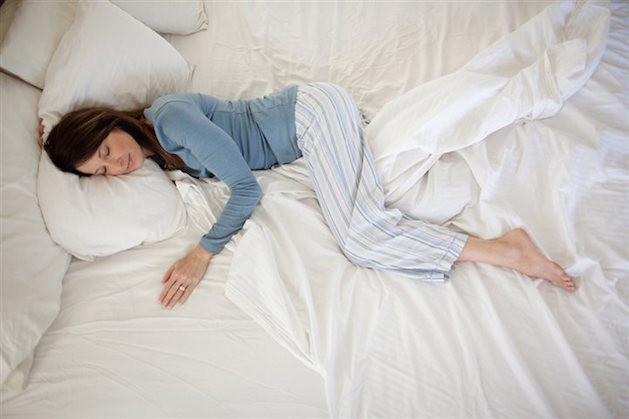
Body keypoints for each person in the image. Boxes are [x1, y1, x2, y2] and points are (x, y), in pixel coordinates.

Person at [42, 83, 576, 309]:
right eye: (102, 172)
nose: (118, 165)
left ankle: (508, 249)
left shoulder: (171, 120)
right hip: (305, 134)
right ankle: (502, 248)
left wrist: (202, 252)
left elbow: (245, 187)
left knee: (361, 238)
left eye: (107, 150)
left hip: (310, 116)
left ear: (108, 122)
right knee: (371, 219)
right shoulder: (159, 148)